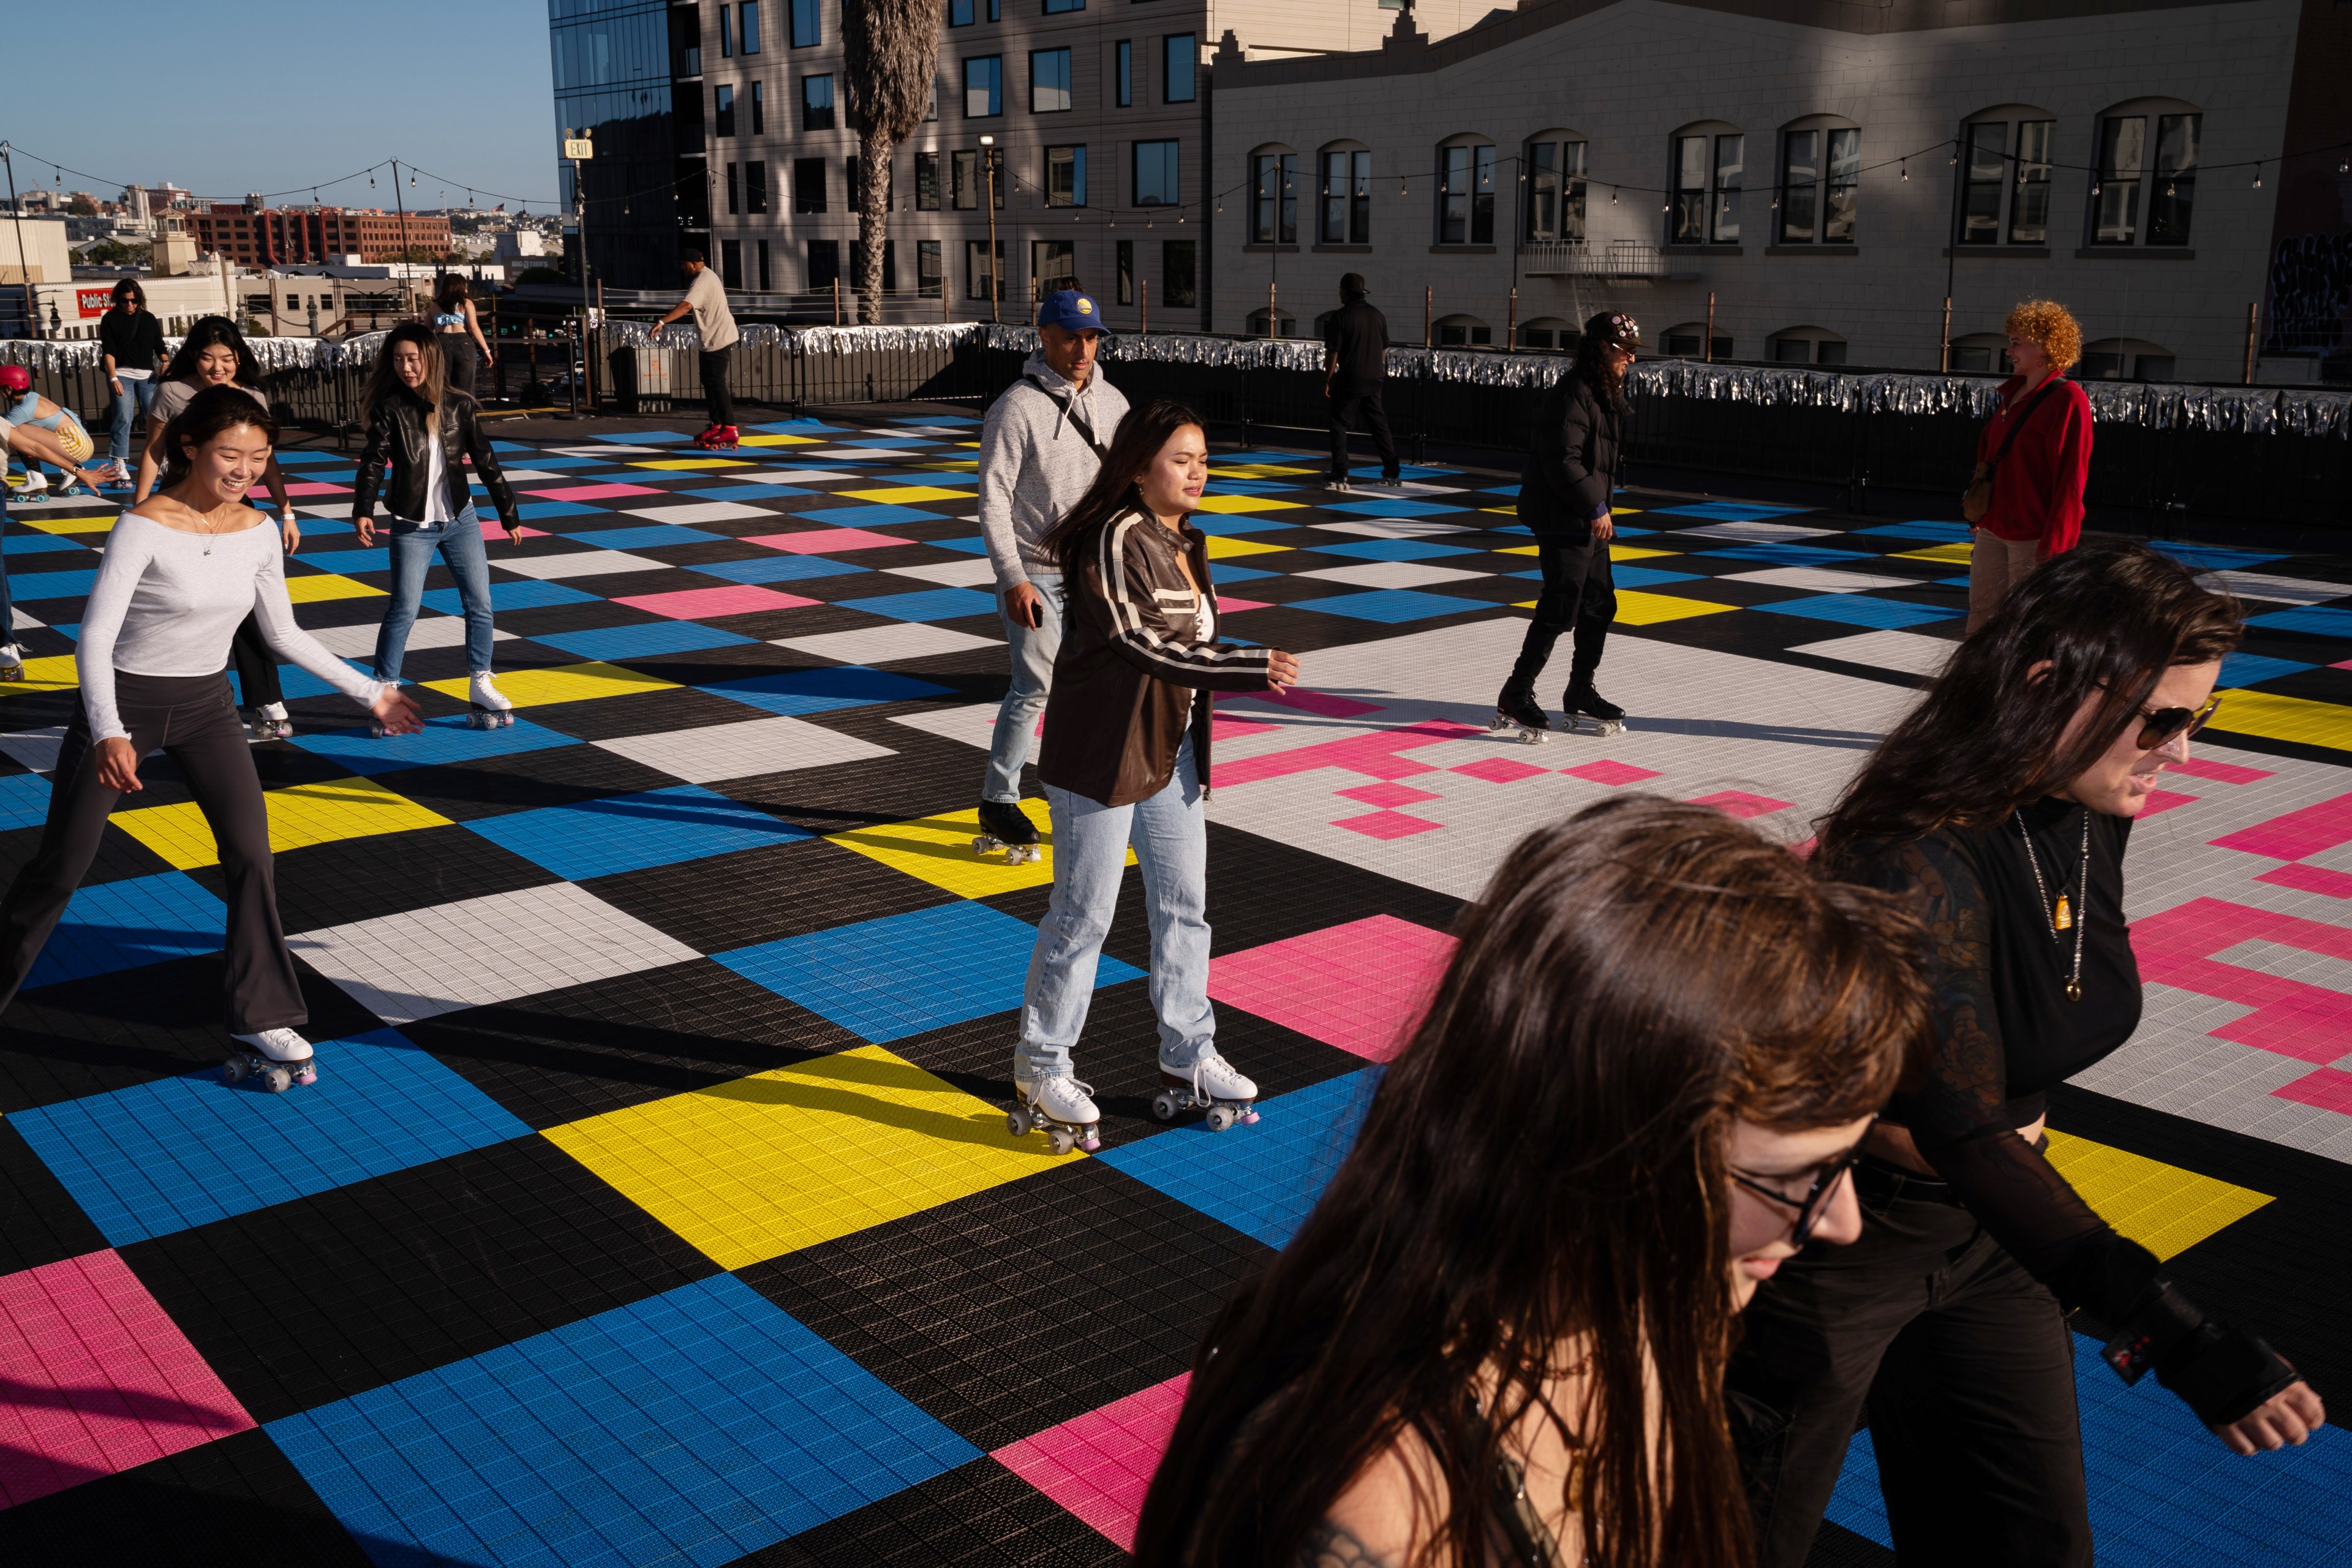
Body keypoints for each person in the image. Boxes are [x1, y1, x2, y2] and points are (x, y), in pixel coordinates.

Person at [1134, 795, 1930, 1568]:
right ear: (1610, 1151)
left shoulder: (1646, 1319)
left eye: (1844, 1166)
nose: (1842, 1223)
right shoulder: (1372, 1502)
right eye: (1792, 1179)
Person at [1730, 543, 2326, 1568]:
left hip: (1998, 1238)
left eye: (2201, 720)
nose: (2181, 752)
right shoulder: (1908, 852)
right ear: (2049, 688)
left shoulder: (2086, 806)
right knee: (1736, 1540)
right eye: (2165, 720)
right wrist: (2181, 1336)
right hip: (1837, 1241)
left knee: (2028, 1546)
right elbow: (1961, 1125)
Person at [0, 386, 422, 1084]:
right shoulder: (142, 525)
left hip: (206, 706)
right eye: (231, 453)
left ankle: (258, 1012)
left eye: (259, 456)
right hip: (125, 703)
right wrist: (107, 731)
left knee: (251, 855)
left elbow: (281, 634)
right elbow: (95, 639)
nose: (245, 468)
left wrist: (371, 692)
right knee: (62, 867)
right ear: (190, 447)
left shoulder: (257, 531)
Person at [1008, 399, 1297, 1151]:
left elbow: (1179, 649)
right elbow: (1140, 641)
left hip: (1170, 753)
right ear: (1139, 469)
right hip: (1102, 756)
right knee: (1083, 917)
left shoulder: (1185, 543)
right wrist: (1246, 666)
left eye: (1203, 458)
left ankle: (1187, 1053)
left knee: (1184, 909)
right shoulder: (1112, 538)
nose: (1197, 471)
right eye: (1181, 459)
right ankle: (1042, 1065)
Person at [971, 287, 1129, 862]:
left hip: (1097, 573)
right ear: (1043, 337)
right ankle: (999, 797)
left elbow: (1126, 486)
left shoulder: (1114, 403)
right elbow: (992, 499)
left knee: (1095, 686)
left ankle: (1083, 790)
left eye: (1091, 337)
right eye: (1071, 337)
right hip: (1035, 571)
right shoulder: (1015, 407)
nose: (1083, 348)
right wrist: (1011, 577)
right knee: (1034, 685)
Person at [135, 318, 305, 741]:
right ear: (194, 356)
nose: (218, 367)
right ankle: (167, 694)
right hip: (178, 509)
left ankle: (266, 699)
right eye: (209, 358)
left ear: (239, 359)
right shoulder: (172, 393)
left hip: (233, 510)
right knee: (179, 604)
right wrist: (138, 512)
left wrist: (286, 510)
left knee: (247, 603)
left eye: (227, 359)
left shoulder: (251, 396)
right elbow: (154, 452)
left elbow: (266, 459)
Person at [353, 323, 522, 728]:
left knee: (480, 605)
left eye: (413, 358)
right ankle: (385, 689)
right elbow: (373, 461)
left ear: (430, 358)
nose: (406, 367)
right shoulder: (389, 407)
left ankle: (481, 681)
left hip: (460, 519)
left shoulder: (460, 405)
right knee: (404, 609)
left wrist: (508, 513)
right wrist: (363, 509)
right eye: (398, 360)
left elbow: (486, 461)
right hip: (412, 523)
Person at [1494, 310, 1636, 743]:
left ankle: (1579, 690)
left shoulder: (1601, 393)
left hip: (1587, 520)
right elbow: (1562, 461)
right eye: (1624, 350)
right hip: (1561, 518)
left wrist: (1599, 505)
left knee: (1599, 604)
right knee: (1561, 607)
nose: (1630, 358)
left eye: (1633, 351)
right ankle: (1516, 693)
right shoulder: (1573, 394)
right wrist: (1596, 504)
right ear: (1601, 349)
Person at [1966, 299, 2092, 633]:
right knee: (1980, 622)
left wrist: (2055, 549)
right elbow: (1988, 454)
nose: (2009, 351)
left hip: (2034, 538)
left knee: (2026, 630)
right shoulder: (2013, 394)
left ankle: (2026, 686)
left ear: (2046, 347)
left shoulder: (2068, 399)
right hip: (1993, 529)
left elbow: (2071, 480)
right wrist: (1979, 513)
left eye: (2017, 343)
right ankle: (1979, 685)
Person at [653, 247, 741, 450]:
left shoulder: (701, 281)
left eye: (683, 264)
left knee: (717, 383)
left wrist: (662, 322)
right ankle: (718, 424)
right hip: (713, 338)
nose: (681, 268)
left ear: (693, 264)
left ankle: (729, 426)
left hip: (718, 338)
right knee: (711, 382)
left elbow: (686, 306)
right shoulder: (709, 275)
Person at [1321, 273, 1400, 492]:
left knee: (1338, 424)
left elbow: (1333, 353)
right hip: (1375, 377)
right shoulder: (1377, 315)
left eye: (1340, 290)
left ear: (1345, 292)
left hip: (1351, 378)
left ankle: (1340, 474)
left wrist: (1327, 379)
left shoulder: (1341, 316)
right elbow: (1383, 350)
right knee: (1379, 424)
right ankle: (1392, 472)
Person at [0, 363, 107, 502]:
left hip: (76, 445)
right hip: (82, 442)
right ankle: (69, 471)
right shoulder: (32, 397)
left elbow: (4, 428)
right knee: (17, 430)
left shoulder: (23, 409)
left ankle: (36, 478)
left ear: (9, 389)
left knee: (14, 431)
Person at [99, 277, 165, 481]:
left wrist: (166, 361)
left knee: (156, 419)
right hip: (122, 374)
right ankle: (119, 462)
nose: (130, 304)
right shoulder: (110, 319)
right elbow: (108, 351)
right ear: (117, 300)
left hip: (148, 376)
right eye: (125, 300)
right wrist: (113, 378)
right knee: (123, 418)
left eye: (134, 301)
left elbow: (158, 344)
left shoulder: (148, 318)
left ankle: (162, 460)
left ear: (140, 300)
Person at [428, 275, 496, 401]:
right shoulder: (466, 303)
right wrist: (486, 351)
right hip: (463, 342)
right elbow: (474, 327)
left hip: (441, 343)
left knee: (444, 384)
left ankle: (447, 417)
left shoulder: (435, 306)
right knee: (466, 385)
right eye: (465, 287)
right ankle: (466, 416)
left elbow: (426, 331)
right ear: (461, 287)